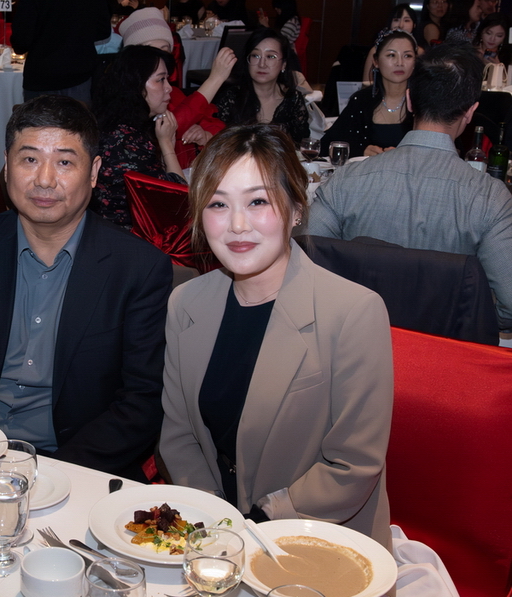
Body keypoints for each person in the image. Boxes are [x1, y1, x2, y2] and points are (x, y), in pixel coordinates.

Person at [0, 95, 174, 481]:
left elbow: (142, 400)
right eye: (29, 159)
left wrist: (54, 474)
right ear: (6, 165)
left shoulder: (138, 268)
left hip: (76, 465)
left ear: (94, 172)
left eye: (64, 162)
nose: (44, 179)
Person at [160, 123, 393, 549]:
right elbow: (178, 435)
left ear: (296, 210)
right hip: (211, 533)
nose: (237, 225)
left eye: (258, 201)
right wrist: (214, 522)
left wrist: (257, 523)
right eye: (218, 204)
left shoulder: (353, 312)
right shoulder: (185, 303)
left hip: (316, 540)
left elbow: (353, 465)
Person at [309, 45, 512, 331]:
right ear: (470, 112)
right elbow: (509, 305)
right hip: (444, 350)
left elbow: (303, 264)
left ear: (410, 101)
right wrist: (462, 309)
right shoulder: (491, 198)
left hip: (355, 341)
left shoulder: (347, 180)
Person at [118, 7, 235, 169]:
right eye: (152, 52)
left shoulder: (173, 93)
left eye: (165, 51)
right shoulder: (124, 106)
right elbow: (172, 125)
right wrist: (215, 80)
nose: (161, 60)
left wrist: (205, 136)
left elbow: (218, 128)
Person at [92, 45, 187, 229]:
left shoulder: (118, 125)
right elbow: (180, 201)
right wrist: (167, 144)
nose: (169, 88)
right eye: (161, 80)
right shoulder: (126, 143)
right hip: (126, 237)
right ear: (136, 85)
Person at [320, 30, 416, 158]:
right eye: (391, 55)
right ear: (376, 61)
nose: (400, 63)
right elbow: (327, 145)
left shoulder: (423, 101)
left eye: (407, 56)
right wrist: (360, 150)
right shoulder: (361, 100)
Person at [213, 28, 309, 144]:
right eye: (255, 55)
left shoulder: (293, 99)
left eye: (270, 57)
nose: (262, 64)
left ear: (283, 65)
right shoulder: (231, 98)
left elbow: (301, 145)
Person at [11, 0, 110, 104]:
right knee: (78, 114)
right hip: (78, 71)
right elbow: (103, 30)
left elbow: (21, 40)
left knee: (40, 114)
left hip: (42, 74)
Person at [362, 4, 422, 81]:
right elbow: (366, 82)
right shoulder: (375, 50)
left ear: (414, 25)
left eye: (406, 20)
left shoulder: (420, 52)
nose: (401, 25)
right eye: (396, 20)